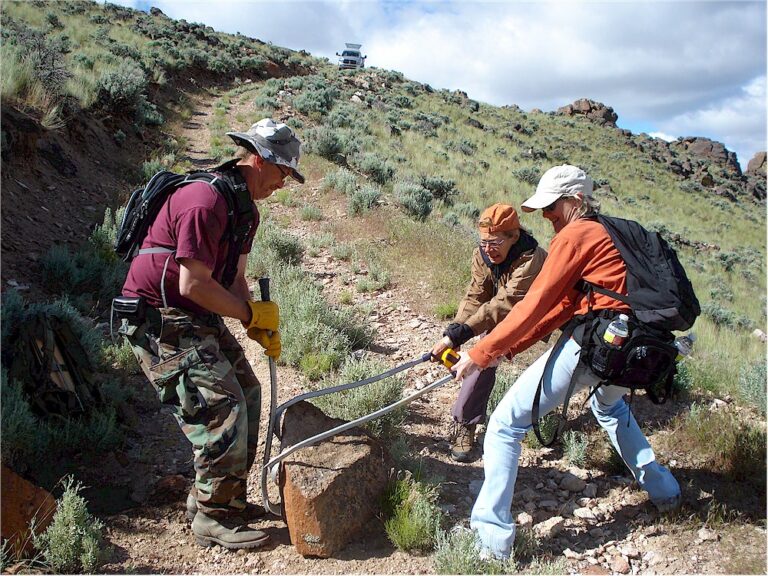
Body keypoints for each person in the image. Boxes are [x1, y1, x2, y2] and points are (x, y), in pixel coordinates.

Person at [452, 164, 682, 559]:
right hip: (636, 347)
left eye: (552, 207)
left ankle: (490, 545)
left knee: (506, 425)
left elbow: (536, 302)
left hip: (598, 343)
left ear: (575, 200)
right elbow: (562, 306)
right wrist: (503, 349)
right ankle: (666, 492)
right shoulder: (610, 232)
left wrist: (481, 353)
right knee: (608, 405)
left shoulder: (576, 235)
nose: (546, 216)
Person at [118, 119, 304, 550]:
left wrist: (254, 322)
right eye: (282, 173)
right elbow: (193, 284)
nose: (283, 184)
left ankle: (223, 501)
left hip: (193, 314)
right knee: (222, 407)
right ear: (258, 160)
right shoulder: (204, 201)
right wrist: (247, 312)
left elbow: (234, 280)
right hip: (159, 317)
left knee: (249, 391)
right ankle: (213, 518)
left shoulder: (245, 211)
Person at [430, 204, 546, 462]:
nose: (487, 249)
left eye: (494, 243)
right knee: (483, 357)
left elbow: (505, 303)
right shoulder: (482, 255)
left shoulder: (531, 258)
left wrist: (461, 335)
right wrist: (454, 334)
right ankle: (465, 423)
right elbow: (476, 296)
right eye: (483, 242)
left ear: (513, 237)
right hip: (507, 313)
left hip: (546, 316)